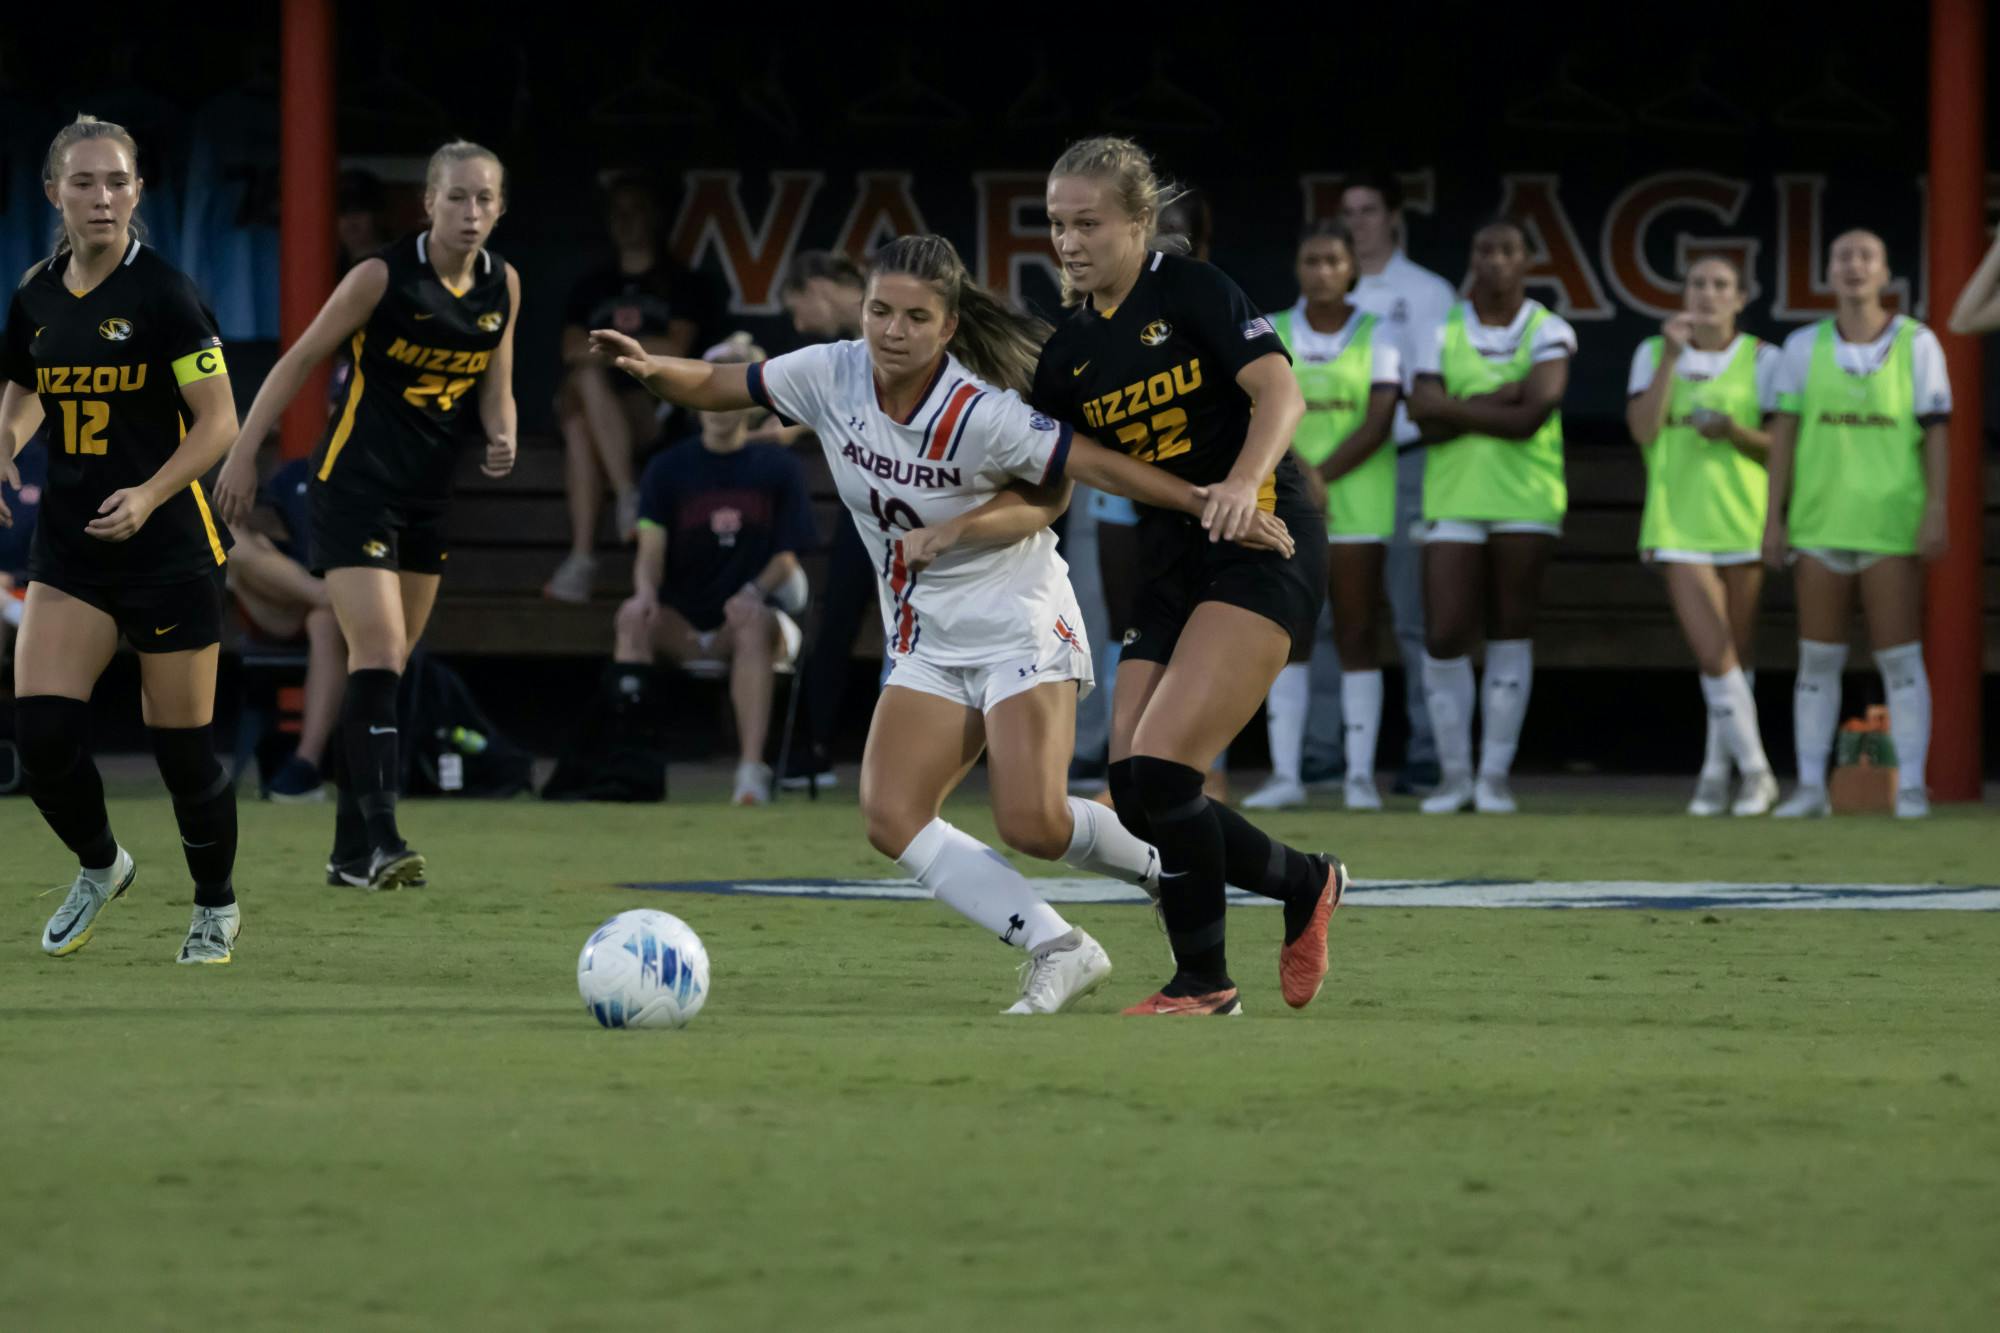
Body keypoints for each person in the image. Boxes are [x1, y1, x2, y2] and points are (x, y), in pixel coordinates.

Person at [592, 233, 1295, 1015]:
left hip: (1018, 618)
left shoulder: (982, 413)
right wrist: (658, 373)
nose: (892, 330)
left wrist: (1206, 500)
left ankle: (1165, 869)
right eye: (879, 310)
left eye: (914, 317)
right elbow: (727, 383)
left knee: (1032, 819)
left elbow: (1084, 471)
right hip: (926, 631)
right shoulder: (830, 373)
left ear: (948, 327)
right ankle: (1059, 946)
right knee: (891, 815)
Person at [1036, 136, 1347, 1018]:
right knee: (1136, 789)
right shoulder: (1069, 354)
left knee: (1168, 768)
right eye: (1058, 225)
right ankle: (1305, 882)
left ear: (1140, 221)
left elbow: (1280, 394)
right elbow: (1057, 471)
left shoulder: (1195, 290)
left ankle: (1204, 982)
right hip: (1173, 558)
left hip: (1263, 538)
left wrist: (1245, 483)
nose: (1070, 241)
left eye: (1088, 223)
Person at [213, 140, 520, 888]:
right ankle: (384, 838)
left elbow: (495, 380)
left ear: (500, 208)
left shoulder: (503, 284)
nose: (470, 212)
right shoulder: (382, 275)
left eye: (484, 198)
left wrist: (504, 427)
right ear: (428, 203)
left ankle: (348, 854)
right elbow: (298, 360)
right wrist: (244, 450)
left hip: (426, 497)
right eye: (456, 197)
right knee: (377, 651)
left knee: (384, 668)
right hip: (353, 487)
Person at [1, 115, 244, 963]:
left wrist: (148, 492)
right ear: (53, 193)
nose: (102, 197)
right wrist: (4, 441)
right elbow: (29, 385)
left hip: (169, 548)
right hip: (72, 549)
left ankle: (215, 905)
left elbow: (220, 424)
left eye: (117, 182)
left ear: (138, 192)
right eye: (84, 182)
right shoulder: (34, 293)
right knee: (42, 738)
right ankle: (101, 865)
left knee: (183, 757)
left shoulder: (166, 295)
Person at [1764, 229, 1950, 820]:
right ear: (1827, 271)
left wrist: (1937, 509)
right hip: (1820, 520)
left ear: (1886, 271)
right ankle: (1813, 787)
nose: (1853, 266)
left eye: (1866, 255)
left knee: (1899, 658)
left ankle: (1913, 787)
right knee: (1817, 659)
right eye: (1842, 256)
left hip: (1890, 521)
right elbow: (1783, 437)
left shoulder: (1919, 344)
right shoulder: (1800, 347)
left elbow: (1937, 434)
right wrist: (1773, 517)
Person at [1407, 217, 1575, 815]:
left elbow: (1532, 416)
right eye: (1485, 248)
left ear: (1527, 261)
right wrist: (1500, 397)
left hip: (1527, 498)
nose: (1496, 259)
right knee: (1446, 633)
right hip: (1452, 498)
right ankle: (1455, 778)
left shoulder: (1548, 328)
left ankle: (1494, 777)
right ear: (1473, 259)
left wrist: (1454, 406)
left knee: (1510, 629)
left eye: (1508, 249)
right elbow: (1421, 420)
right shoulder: (1439, 328)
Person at [612, 334, 817, 806]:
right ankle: (628, 765)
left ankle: (750, 771)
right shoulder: (667, 468)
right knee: (631, 617)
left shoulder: (777, 466)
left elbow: (787, 557)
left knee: (751, 619)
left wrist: (749, 592)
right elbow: (651, 549)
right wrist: (644, 593)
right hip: (684, 620)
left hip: (750, 619)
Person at [1243, 219, 1400, 813]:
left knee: (1359, 632)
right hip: (1288, 503)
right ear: (1298, 268)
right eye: (1312, 260)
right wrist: (1301, 473)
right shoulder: (1273, 330)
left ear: (1351, 268)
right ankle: (1287, 774)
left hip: (1359, 502)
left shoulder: (1380, 332)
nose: (1323, 271)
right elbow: (1257, 404)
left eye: (1334, 260)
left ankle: (1359, 777)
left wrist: (1321, 476)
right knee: (1291, 633)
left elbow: (1380, 416)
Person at [1626, 256, 1779, 817]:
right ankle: (1760, 774)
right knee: (1714, 652)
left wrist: (1732, 430)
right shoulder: (1651, 351)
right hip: (1677, 521)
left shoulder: (1766, 358)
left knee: (1735, 657)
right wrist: (1670, 356)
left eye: (1720, 285)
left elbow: (1780, 445)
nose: (1708, 294)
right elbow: (1643, 429)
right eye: (1697, 284)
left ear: (1741, 297)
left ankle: (1716, 774)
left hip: (1743, 517)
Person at [1336, 171, 1453, 794]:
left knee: (1411, 613)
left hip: (1404, 458)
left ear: (1394, 216)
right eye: (1349, 211)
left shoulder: (1426, 291)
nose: (1358, 222)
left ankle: (1427, 750)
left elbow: (1438, 386)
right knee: (1330, 614)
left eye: (1368, 209)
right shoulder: (1324, 287)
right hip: (1332, 466)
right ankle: (1323, 751)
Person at [546, 175, 713, 603]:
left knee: (583, 390)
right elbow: (569, 348)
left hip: (655, 408)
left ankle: (586, 554)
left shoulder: (679, 281)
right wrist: (630, 350)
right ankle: (622, 501)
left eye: (635, 210)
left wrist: (606, 348)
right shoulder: (593, 284)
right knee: (581, 413)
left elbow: (675, 347)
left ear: (655, 216)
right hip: (601, 407)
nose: (625, 221)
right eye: (617, 212)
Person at [774, 250, 869, 792]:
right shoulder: (836, 357)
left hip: (936, 499)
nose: (796, 324)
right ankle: (812, 751)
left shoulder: (893, 319)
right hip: (872, 506)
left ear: (815, 286)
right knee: (835, 620)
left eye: (795, 307)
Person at [225, 456, 346, 801]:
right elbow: (264, 531)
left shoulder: (377, 467)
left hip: (352, 605)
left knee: (325, 620)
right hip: (294, 595)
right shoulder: (295, 472)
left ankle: (305, 764)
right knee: (225, 537)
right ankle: (323, 595)